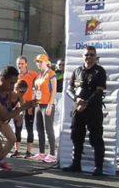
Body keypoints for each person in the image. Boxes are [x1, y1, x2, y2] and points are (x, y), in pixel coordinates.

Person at [64, 46, 107, 176]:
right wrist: (77, 100)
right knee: (77, 137)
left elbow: (99, 91)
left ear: (96, 57)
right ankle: (76, 164)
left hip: (93, 110)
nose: (89, 57)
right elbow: (69, 89)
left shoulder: (100, 71)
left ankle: (98, 167)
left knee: (96, 138)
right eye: (87, 55)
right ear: (83, 56)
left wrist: (86, 103)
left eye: (91, 55)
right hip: (78, 109)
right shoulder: (77, 71)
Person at [33, 54, 58, 163]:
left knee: (49, 129)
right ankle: (41, 153)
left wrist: (50, 105)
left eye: (41, 61)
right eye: (37, 61)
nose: (39, 63)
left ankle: (52, 154)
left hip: (47, 104)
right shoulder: (39, 75)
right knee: (39, 129)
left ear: (46, 62)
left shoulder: (51, 74)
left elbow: (54, 91)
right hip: (39, 104)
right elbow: (36, 89)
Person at [12, 56, 38, 157]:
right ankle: (17, 151)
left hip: (29, 104)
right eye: (18, 63)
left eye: (22, 63)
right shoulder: (15, 76)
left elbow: (36, 89)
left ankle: (29, 152)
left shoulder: (33, 74)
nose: (20, 66)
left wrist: (32, 104)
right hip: (17, 105)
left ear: (26, 64)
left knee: (29, 127)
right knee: (17, 128)